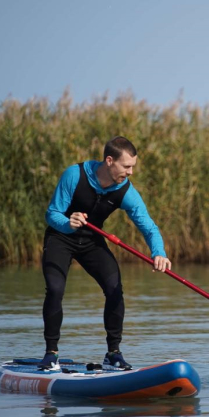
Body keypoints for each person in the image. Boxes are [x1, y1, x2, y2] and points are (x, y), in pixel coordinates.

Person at [39, 136, 171, 369]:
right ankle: (51, 354)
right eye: (126, 166)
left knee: (114, 289)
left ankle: (113, 354)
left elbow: (148, 226)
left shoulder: (125, 191)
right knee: (56, 289)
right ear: (109, 161)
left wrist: (158, 252)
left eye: (133, 167)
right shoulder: (75, 175)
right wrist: (68, 222)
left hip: (91, 242)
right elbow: (52, 213)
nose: (130, 172)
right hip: (60, 237)